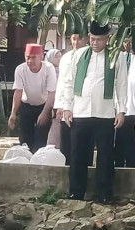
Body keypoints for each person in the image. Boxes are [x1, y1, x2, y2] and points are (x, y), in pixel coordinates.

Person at [63, 21, 127, 204]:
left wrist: (121, 110)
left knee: (106, 156)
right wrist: (67, 107)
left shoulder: (117, 56)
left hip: (105, 113)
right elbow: (69, 82)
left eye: (99, 40)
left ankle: (105, 194)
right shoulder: (79, 55)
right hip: (80, 112)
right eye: (92, 39)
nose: (95, 43)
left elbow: (121, 85)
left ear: (107, 39)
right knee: (78, 155)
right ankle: (76, 192)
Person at [8, 43, 56, 153]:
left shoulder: (49, 69)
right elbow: (18, 92)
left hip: (44, 105)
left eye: (34, 57)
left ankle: (39, 162)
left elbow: (52, 93)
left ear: (41, 57)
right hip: (27, 105)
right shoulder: (20, 69)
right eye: (28, 57)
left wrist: (45, 113)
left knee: (41, 139)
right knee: (25, 139)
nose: (30, 61)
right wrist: (13, 113)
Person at [54, 32, 88, 164]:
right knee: (66, 144)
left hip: (83, 107)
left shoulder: (89, 56)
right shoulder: (66, 58)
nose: (76, 42)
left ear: (86, 39)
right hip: (66, 106)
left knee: (82, 146)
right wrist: (59, 105)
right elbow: (61, 82)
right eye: (74, 39)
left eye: (79, 39)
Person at [114, 39, 135, 167]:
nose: (128, 45)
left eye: (130, 42)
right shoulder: (119, 58)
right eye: (125, 42)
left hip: (132, 111)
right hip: (120, 111)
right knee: (119, 149)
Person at [45, 48, 61, 148]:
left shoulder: (62, 70)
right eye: (56, 56)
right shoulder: (47, 71)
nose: (59, 58)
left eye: (60, 56)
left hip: (59, 104)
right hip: (48, 103)